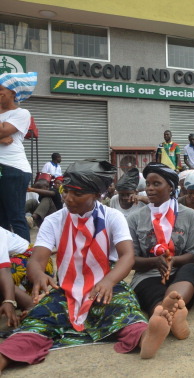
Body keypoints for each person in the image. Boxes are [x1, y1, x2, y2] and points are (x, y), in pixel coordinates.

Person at [0, 160, 172, 373]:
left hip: (105, 287)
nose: (68, 199)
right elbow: (36, 260)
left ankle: (146, 337)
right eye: (66, 192)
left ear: (97, 195)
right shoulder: (54, 220)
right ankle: (4, 357)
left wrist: (109, 281)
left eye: (77, 194)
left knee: (124, 310)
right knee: (40, 319)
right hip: (64, 291)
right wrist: (38, 276)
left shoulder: (112, 217)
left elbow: (127, 256)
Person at [128, 163, 194, 342]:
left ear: (170, 187)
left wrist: (173, 260)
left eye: (156, 184)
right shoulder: (135, 218)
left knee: (191, 270)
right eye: (148, 184)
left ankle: (167, 312)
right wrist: (154, 262)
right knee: (150, 289)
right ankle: (168, 314)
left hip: (180, 272)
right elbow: (130, 259)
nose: (150, 189)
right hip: (148, 274)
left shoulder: (189, 215)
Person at [0, 72, 37, 242]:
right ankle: (6, 259)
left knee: (15, 216)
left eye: (1, 89)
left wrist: (2, 134)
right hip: (2, 169)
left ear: (13, 93)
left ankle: (25, 259)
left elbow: (3, 131)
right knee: (2, 220)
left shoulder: (22, 113)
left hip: (13, 169)